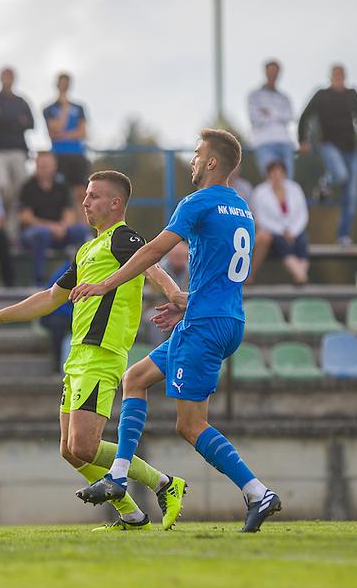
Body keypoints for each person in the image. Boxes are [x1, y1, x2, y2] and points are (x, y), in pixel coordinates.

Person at [71, 129, 283, 533]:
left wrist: (105, 284)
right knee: (136, 378)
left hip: (204, 323)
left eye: (198, 153)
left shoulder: (197, 202)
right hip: (222, 317)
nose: (193, 160)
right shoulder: (241, 208)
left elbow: (151, 250)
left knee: (190, 425)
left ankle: (257, 491)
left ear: (213, 163)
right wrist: (184, 302)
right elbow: (220, 267)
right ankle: (118, 476)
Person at [0, 170, 188, 531]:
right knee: (69, 450)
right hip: (78, 355)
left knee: (85, 447)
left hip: (102, 352)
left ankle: (164, 483)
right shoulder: (88, 248)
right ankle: (132, 514)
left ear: (115, 203)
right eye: (85, 196)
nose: (85, 202)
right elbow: (49, 298)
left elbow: (151, 264)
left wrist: (174, 294)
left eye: (94, 196)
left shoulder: (124, 237)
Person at [298, 64, 357, 245]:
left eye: (341, 75)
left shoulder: (351, 94)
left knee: (350, 196)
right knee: (341, 175)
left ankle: (343, 235)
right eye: (336, 75)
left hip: (351, 147)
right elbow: (305, 116)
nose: (339, 78)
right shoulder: (321, 95)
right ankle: (325, 183)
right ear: (330, 77)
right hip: (329, 145)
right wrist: (302, 140)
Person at [19, 152, 91, 284]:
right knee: (41, 234)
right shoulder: (28, 187)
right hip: (34, 233)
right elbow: (25, 217)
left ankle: (84, 274)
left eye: (47, 165)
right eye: (41, 165)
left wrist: (62, 227)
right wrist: (51, 227)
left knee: (82, 230)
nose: (44, 169)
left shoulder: (62, 187)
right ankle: (38, 281)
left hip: (59, 231)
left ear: (54, 167)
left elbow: (70, 213)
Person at [0, 66, 35, 243]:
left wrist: (7, 120)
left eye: (10, 76)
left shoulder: (21, 101)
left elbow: (31, 123)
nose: (7, 79)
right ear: (0, 78)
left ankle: (12, 236)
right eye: (4, 76)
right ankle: (0, 221)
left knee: (20, 193)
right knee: (2, 186)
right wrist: (16, 121)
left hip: (19, 152)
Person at [249, 160, 310, 284]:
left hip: (295, 230)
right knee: (283, 245)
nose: (277, 175)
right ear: (268, 174)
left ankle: (301, 275)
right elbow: (261, 218)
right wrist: (282, 231)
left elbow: (303, 214)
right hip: (275, 232)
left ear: (284, 173)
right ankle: (301, 276)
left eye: (279, 172)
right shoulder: (260, 192)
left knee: (302, 242)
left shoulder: (295, 188)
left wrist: (292, 231)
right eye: (273, 172)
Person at [43, 72, 91, 222]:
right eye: (62, 83)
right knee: (61, 193)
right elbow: (53, 131)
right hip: (58, 156)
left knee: (80, 193)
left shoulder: (79, 107)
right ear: (57, 85)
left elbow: (82, 132)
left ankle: (83, 229)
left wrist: (63, 135)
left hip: (77, 155)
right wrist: (64, 109)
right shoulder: (49, 108)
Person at [247, 59, 296, 179]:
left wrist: (269, 112)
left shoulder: (284, 97)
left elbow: (289, 117)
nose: (273, 75)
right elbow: (255, 118)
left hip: (284, 142)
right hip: (264, 143)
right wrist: (279, 115)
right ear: (265, 72)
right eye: (271, 71)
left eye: (276, 72)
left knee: (288, 181)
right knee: (271, 181)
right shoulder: (254, 95)